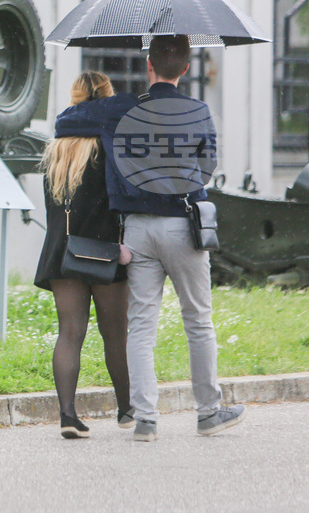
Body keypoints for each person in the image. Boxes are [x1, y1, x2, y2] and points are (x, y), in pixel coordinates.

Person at [55, 35, 245, 442]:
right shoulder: (199, 111)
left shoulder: (121, 109)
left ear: (149, 66)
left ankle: (145, 420)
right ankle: (209, 412)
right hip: (184, 226)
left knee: (141, 325)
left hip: (137, 230)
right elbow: (208, 166)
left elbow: (64, 122)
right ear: (188, 69)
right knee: (198, 320)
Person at [35, 71, 133, 439]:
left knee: (70, 333)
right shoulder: (109, 145)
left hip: (63, 252)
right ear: (108, 98)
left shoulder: (55, 148)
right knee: (115, 335)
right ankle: (126, 411)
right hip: (104, 250)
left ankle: (67, 415)